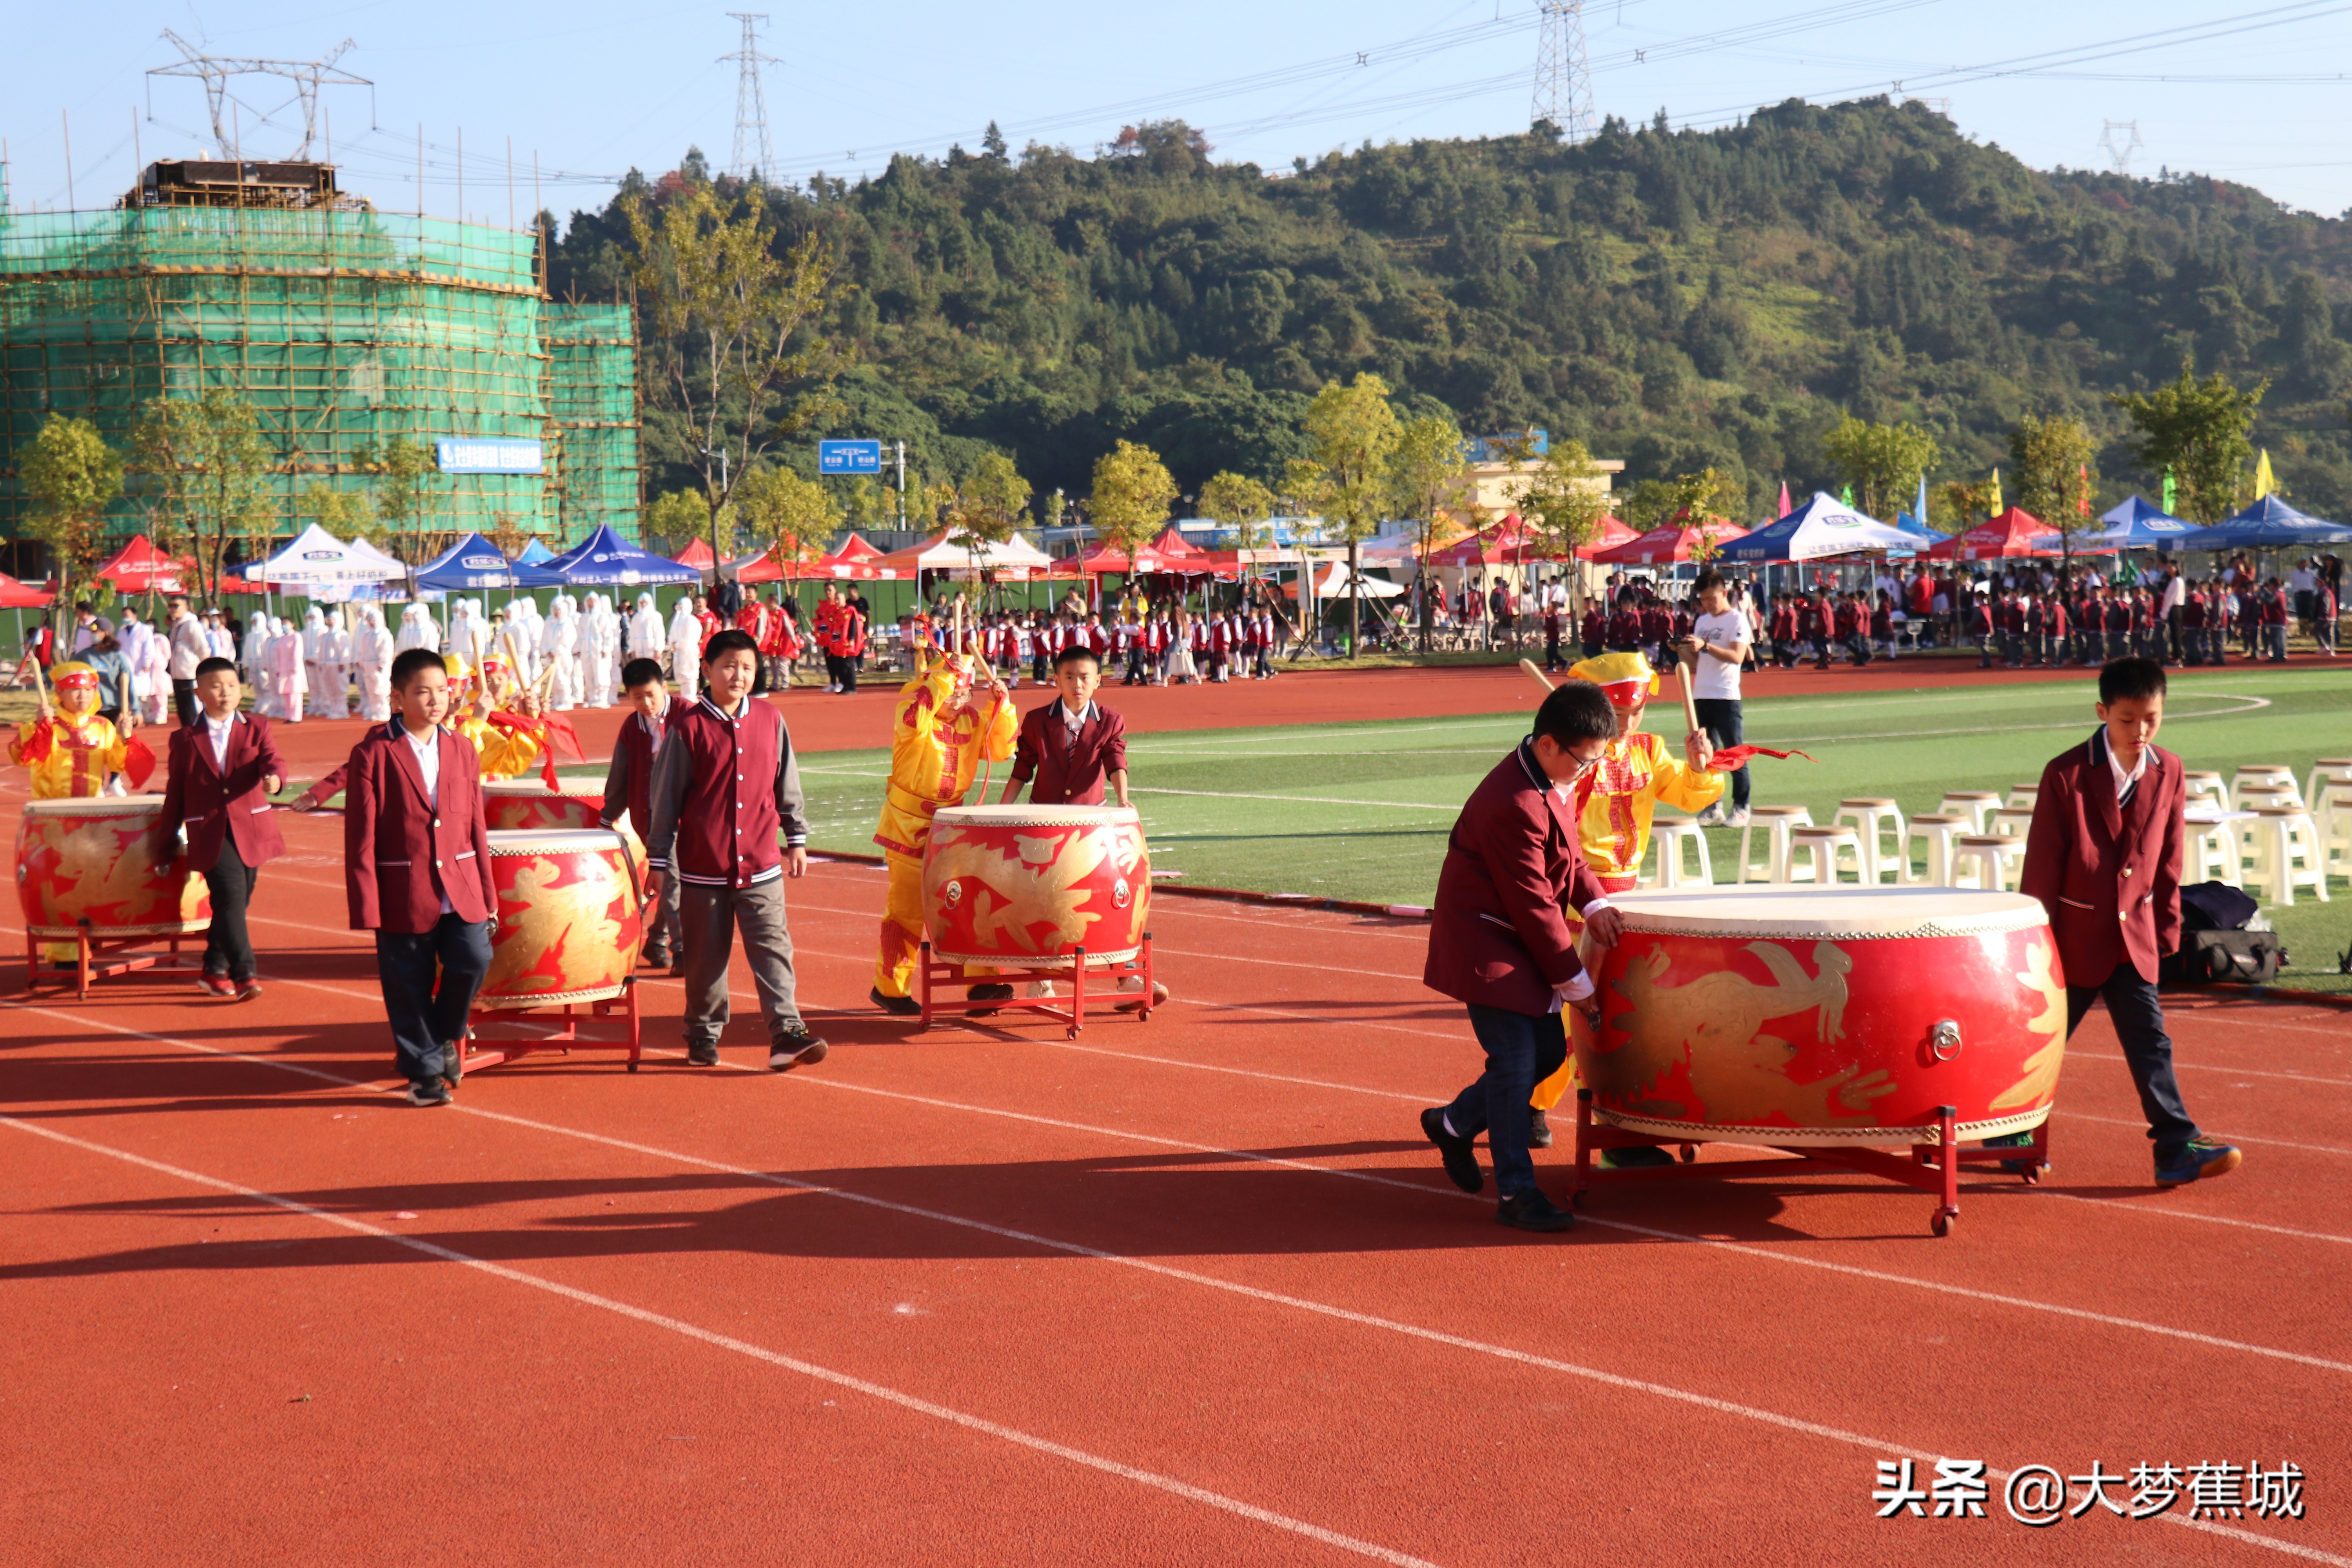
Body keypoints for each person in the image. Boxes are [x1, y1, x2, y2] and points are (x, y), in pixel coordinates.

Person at [2014, 657, 2241, 1189]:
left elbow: (2170, 857)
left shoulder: (2171, 769)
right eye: (2126, 720)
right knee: (2041, 1045)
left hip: (2133, 940)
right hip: (2071, 942)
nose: (2140, 732)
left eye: (2151, 719)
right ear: (2102, 712)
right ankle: (2008, 1134)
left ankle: (2174, 1146)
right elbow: (2043, 861)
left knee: (2150, 1043)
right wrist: (2035, 939)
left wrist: (2166, 929)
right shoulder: (2065, 773)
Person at [1419, 680, 1625, 1233]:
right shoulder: (1513, 803)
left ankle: (1454, 1125)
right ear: (1551, 745)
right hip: (1488, 944)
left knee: (1545, 1057)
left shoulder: (1550, 780)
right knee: (1515, 1064)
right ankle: (1516, 1190)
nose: (1589, 773)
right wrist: (1580, 988)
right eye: (1586, 761)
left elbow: (1572, 856)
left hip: (1516, 937)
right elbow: (1534, 906)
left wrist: (1597, 899)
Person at [1522, 650, 1726, 1152]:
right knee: (1573, 1012)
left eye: (1635, 713)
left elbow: (1689, 795)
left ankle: (1619, 1125)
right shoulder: (1577, 751)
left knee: (1624, 1014)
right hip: (1576, 896)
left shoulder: (1649, 750)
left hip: (1629, 899)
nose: (1628, 724)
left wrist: (1703, 767)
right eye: (1618, 714)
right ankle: (1532, 1105)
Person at [644, 629, 829, 1071]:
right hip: (703, 870)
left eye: (747, 667)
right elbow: (665, 799)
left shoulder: (770, 718)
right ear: (706, 669)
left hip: (763, 865)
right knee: (706, 962)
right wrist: (657, 860)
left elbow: (787, 783)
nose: (739, 674)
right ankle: (702, 1033)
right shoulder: (688, 730)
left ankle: (787, 1032)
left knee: (774, 951)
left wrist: (796, 837)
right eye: (729, 665)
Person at [344, 649, 497, 1107]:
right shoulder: (373, 753)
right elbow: (361, 836)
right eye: (422, 691)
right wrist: (367, 903)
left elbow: (476, 825)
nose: (436, 700)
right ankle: (424, 1076)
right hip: (402, 890)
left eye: (442, 690)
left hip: (462, 885)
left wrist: (488, 892)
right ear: (398, 697)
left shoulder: (462, 747)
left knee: (473, 958)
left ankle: (444, 1035)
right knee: (407, 984)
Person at [868, 632, 1017, 1016]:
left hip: (950, 828)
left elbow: (1001, 749)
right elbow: (919, 706)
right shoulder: (915, 712)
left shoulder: (970, 720)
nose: (956, 698)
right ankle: (891, 987)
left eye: (962, 691)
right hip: (907, 827)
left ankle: (983, 983)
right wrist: (946, 674)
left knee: (967, 902)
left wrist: (1002, 704)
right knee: (906, 912)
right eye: (951, 690)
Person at [157, 656, 284, 1000]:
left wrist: (275, 777)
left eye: (231, 685)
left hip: (252, 828)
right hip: (210, 830)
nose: (225, 693)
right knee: (229, 897)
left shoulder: (257, 726)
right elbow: (177, 791)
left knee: (237, 903)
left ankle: (213, 969)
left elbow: (272, 759)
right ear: (198, 692)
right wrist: (165, 840)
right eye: (215, 686)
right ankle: (245, 974)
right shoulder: (185, 738)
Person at [603, 656, 682, 970]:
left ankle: (658, 940)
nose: (646, 704)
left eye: (651, 694)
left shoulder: (688, 715)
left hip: (691, 814)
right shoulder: (631, 727)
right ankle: (683, 950)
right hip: (652, 817)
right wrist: (607, 818)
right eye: (638, 698)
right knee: (673, 877)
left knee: (678, 880)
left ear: (664, 687)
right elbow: (620, 774)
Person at [1681, 571, 1751, 828]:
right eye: (1703, 600)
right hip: (1702, 694)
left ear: (1724, 593)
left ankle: (1742, 807)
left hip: (1726, 695)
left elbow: (1737, 657)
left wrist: (1706, 646)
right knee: (1706, 755)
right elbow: (1697, 662)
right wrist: (1681, 651)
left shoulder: (1737, 620)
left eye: (1712, 599)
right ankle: (1713, 806)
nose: (1708, 605)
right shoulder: (1702, 622)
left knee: (1734, 754)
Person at [165, 595, 208, 725]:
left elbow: (203, 649)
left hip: (190, 676)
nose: (172, 609)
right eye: (170, 606)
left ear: (186, 607)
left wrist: (204, 672)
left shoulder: (192, 626)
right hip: (178, 675)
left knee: (192, 712)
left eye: (176, 606)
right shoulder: (176, 626)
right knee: (183, 713)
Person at [352, 605, 396, 722]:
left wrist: (383, 664)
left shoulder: (384, 634)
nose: (371, 623)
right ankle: (373, 711)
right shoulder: (366, 635)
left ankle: (383, 712)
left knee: (381, 690)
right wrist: (362, 662)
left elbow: (386, 650)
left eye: (373, 620)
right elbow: (363, 650)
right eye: (370, 620)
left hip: (378, 666)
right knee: (371, 691)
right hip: (368, 666)